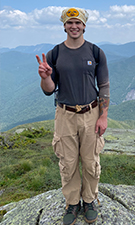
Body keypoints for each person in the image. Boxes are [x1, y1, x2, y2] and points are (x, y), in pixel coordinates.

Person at [36, 7, 110, 225]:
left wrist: (103, 116)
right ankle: (72, 203)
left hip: (91, 112)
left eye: (78, 23)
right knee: (67, 163)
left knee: (90, 162)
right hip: (65, 115)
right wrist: (45, 77)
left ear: (84, 26)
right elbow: (49, 89)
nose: (74, 26)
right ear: (64, 26)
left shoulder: (96, 52)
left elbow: (104, 85)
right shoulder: (55, 54)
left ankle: (89, 200)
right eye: (69, 23)